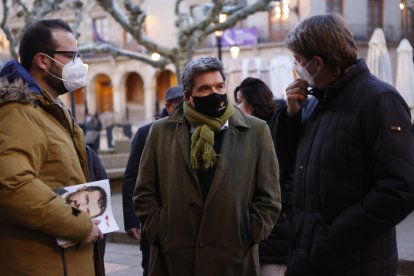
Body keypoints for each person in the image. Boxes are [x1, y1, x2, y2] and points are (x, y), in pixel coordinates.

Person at [278, 14, 414, 275]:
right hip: (309, 256)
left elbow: (400, 188)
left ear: (317, 62)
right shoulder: (316, 100)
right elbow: (292, 163)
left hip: (352, 262)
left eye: (298, 61)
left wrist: (336, 236)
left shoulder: (379, 100)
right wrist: (291, 117)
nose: (296, 67)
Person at [134, 56, 281, 276]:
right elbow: (144, 192)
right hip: (175, 258)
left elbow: (269, 198)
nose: (214, 93)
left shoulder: (256, 131)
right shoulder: (160, 131)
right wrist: (161, 230)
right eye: (204, 89)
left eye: (219, 86)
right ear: (187, 96)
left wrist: (248, 233)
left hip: (233, 258)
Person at [0, 19, 102, 275]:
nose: (79, 64)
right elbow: (13, 184)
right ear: (43, 61)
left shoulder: (49, 110)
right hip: (44, 262)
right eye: (70, 55)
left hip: (65, 258)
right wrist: (79, 224)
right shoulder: (18, 112)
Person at [123, 85, 184, 276]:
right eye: (180, 105)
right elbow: (132, 176)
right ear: (168, 106)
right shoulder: (146, 133)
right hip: (155, 221)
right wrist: (131, 219)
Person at [234, 77, 291, 276]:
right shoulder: (241, 132)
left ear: (254, 101)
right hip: (251, 234)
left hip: (274, 233)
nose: (236, 107)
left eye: (240, 101)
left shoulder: (277, 127)